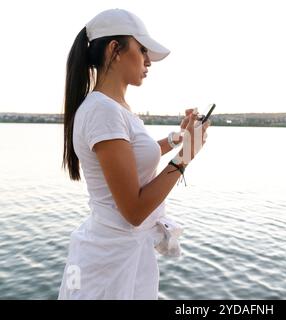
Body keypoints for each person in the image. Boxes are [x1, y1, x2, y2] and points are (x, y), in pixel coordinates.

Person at [59, 8, 210, 299]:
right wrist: (186, 156)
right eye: (142, 50)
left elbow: (132, 156)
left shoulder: (113, 108)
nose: (148, 61)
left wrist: (177, 139)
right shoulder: (102, 111)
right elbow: (134, 211)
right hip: (109, 266)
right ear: (115, 50)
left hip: (118, 256)